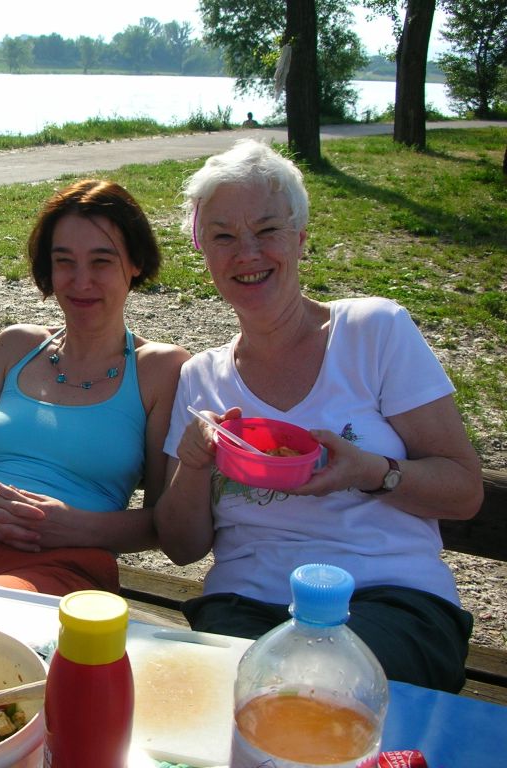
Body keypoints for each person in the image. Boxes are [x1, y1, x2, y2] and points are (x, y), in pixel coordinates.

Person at [154, 139, 484, 692]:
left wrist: (370, 471)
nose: (247, 253)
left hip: (389, 599)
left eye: (267, 230)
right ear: (202, 251)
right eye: (223, 236)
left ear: (301, 238)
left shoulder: (374, 332)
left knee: (314, 689)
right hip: (247, 603)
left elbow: (464, 491)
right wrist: (192, 464)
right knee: (214, 699)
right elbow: (182, 548)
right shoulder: (201, 378)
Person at [0, 179, 190, 595]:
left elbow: (161, 522)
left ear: (135, 262)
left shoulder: (161, 369)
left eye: (101, 261)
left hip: (62, 561)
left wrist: (73, 525)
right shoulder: (17, 345)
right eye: (64, 261)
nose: (81, 281)